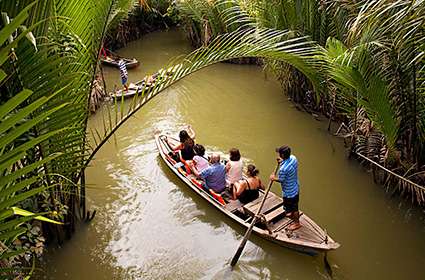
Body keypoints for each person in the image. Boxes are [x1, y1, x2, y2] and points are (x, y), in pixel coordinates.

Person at [269, 145, 301, 231]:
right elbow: (289, 164)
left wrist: (273, 178)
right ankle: (294, 218)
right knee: (295, 207)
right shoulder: (294, 158)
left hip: (289, 192)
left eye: (279, 153)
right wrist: (282, 161)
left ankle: (296, 223)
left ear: (282, 155)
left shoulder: (283, 169)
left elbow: (281, 179)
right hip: (295, 187)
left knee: (290, 211)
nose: (278, 154)